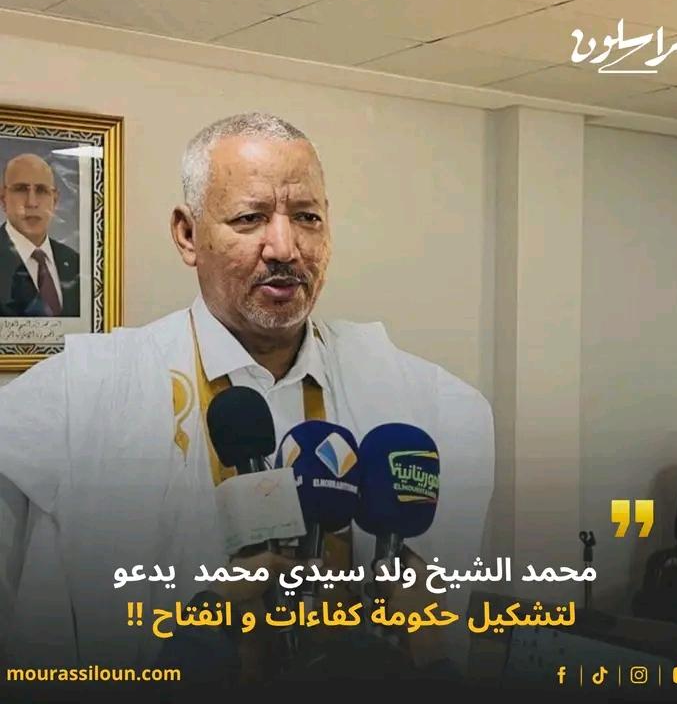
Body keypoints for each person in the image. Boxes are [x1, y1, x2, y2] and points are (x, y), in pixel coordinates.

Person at [0, 113, 494, 687]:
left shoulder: (431, 406)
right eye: (249, 218)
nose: (284, 247)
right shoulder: (76, 396)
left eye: (306, 217)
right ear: (188, 235)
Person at [0, 153, 80, 318]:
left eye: (42, 190)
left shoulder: (75, 262)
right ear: (3, 199)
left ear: (55, 200)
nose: (32, 203)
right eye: (21, 189)